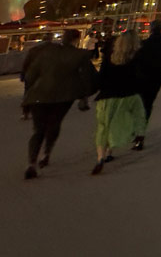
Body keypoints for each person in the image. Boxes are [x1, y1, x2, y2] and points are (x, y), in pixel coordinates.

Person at [22, 29, 97, 180]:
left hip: (39, 95)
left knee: (38, 129)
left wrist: (29, 93)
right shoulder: (80, 55)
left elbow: (30, 75)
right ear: (77, 39)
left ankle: (31, 162)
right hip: (64, 97)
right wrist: (84, 97)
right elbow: (87, 77)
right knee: (55, 123)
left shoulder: (46, 52)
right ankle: (47, 152)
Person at [92, 30, 147, 175]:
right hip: (128, 95)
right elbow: (141, 77)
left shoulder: (110, 57)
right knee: (135, 116)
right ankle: (135, 137)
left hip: (107, 96)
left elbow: (101, 77)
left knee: (103, 126)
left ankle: (100, 157)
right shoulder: (137, 57)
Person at [133, 21, 161, 149]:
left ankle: (136, 130)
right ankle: (140, 134)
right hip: (157, 76)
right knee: (148, 104)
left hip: (143, 76)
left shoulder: (145, 44)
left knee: (138, 103)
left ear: (151, 29)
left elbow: (137, 60)